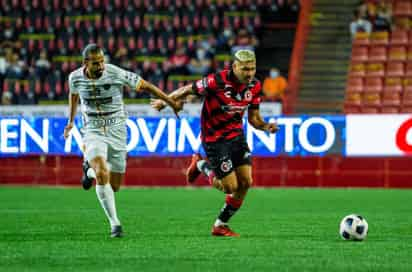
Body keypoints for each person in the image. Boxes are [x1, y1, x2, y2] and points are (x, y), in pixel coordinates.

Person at [151, 49, 278, 237]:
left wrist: (266, 126)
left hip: (237, 137)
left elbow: (254, 119)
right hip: (215, 140)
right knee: (230, 187)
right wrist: (166, 101)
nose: (249, 73)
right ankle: (201, 164)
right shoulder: (216, 81)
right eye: (245, 69)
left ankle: (220, 225)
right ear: (234, 66)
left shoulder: (255, 86)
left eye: (252, 69)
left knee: (246, 182)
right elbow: (188, 89)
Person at [63, 44, 182, 238]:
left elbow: (145, 85)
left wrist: (170, 102)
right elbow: (73, 96)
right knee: (103, 173)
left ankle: (89, 171)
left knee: (114, 185)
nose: (101, 66)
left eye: (102, 61)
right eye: (96, 63)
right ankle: (115, 224)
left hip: (117, 130)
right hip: (92, 130)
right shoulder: (74, 77)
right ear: (85, 63)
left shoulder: (115, 73)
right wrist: (70, 122)